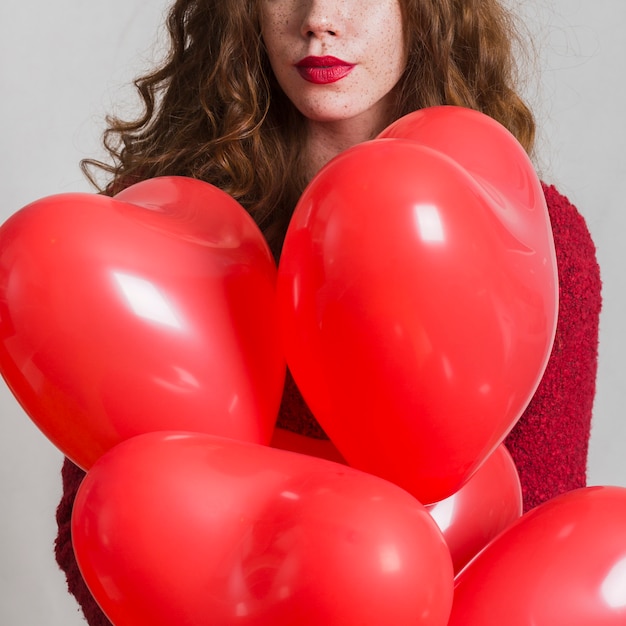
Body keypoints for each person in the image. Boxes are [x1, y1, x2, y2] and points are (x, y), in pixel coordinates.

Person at [54, 0, 602, 623]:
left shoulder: (538, 241)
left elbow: (539, 546)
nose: (319, 17)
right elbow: (106, 518)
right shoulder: (170, 228)